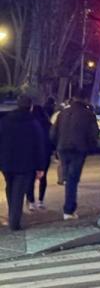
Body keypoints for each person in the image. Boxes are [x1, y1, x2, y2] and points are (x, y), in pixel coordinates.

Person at [0, 95, 47, 231]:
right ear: (30, 107)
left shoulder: (5, 121)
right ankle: (14, 221)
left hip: (7, 161)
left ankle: (12, 215)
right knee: (18, 191)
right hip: (25, 163)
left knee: (10, 187)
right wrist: (40, 167)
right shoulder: (33, 123)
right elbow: (39, 146)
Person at [50, 90, 98, 220]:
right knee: (72, 179)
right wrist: (91, 148)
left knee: (68, 178)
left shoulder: (63, 113)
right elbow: (93, 134)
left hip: (63, 148)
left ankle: (69, 206)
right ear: (85, 99)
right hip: (78, 148)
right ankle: (69, 209)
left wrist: (55, 147)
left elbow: (53, 132)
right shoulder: (88, 114)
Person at [26, 102, 55, 211]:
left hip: (32, 154)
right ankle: (41, 201)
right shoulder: (48, 125)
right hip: (45, 154)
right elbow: (52, 139)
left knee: (31, 178)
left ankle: (31, 201)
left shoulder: (30, 124)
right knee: (43, 177)